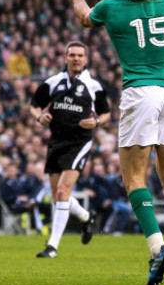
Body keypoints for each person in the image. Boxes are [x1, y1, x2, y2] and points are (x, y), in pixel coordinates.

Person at [67, 0, 164, 285]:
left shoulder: (112, 7)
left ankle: (158, 249)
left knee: (134, 178)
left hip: (140, 94)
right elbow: (144, 5)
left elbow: (84, 18)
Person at [30, 41, 109, 258]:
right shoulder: (52, 82)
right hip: (56, 141)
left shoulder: (94, 86)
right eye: (72, 54)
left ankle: (52, 246)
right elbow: (34, 104)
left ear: (85, 59)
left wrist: (97, 123)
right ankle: (85, 217)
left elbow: (106, 114)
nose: (76, 58)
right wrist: (39, 116)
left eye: (80, 55)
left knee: (63, 191)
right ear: (65, 57)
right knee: (57, 197)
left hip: (79, 142)